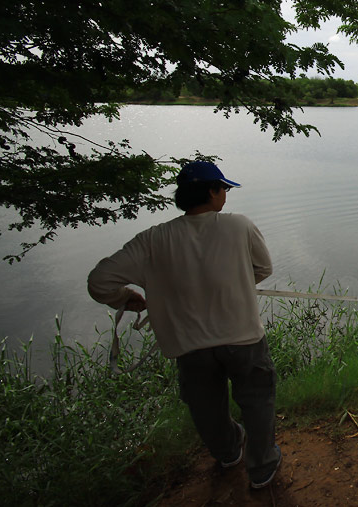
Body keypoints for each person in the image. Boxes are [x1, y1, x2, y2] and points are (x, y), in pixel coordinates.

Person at [88, 160, 281, 489]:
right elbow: (262, 269)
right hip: (243, 338)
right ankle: (262, 468)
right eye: (223, 189)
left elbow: (99, 282)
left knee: (206, 406)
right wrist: (233, 279)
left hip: (190, 346)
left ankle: (228, 452)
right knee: (257, 400)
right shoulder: (239, 227)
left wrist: (124, 298)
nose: (226, 196)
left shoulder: (154, 239)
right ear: (211, 191)